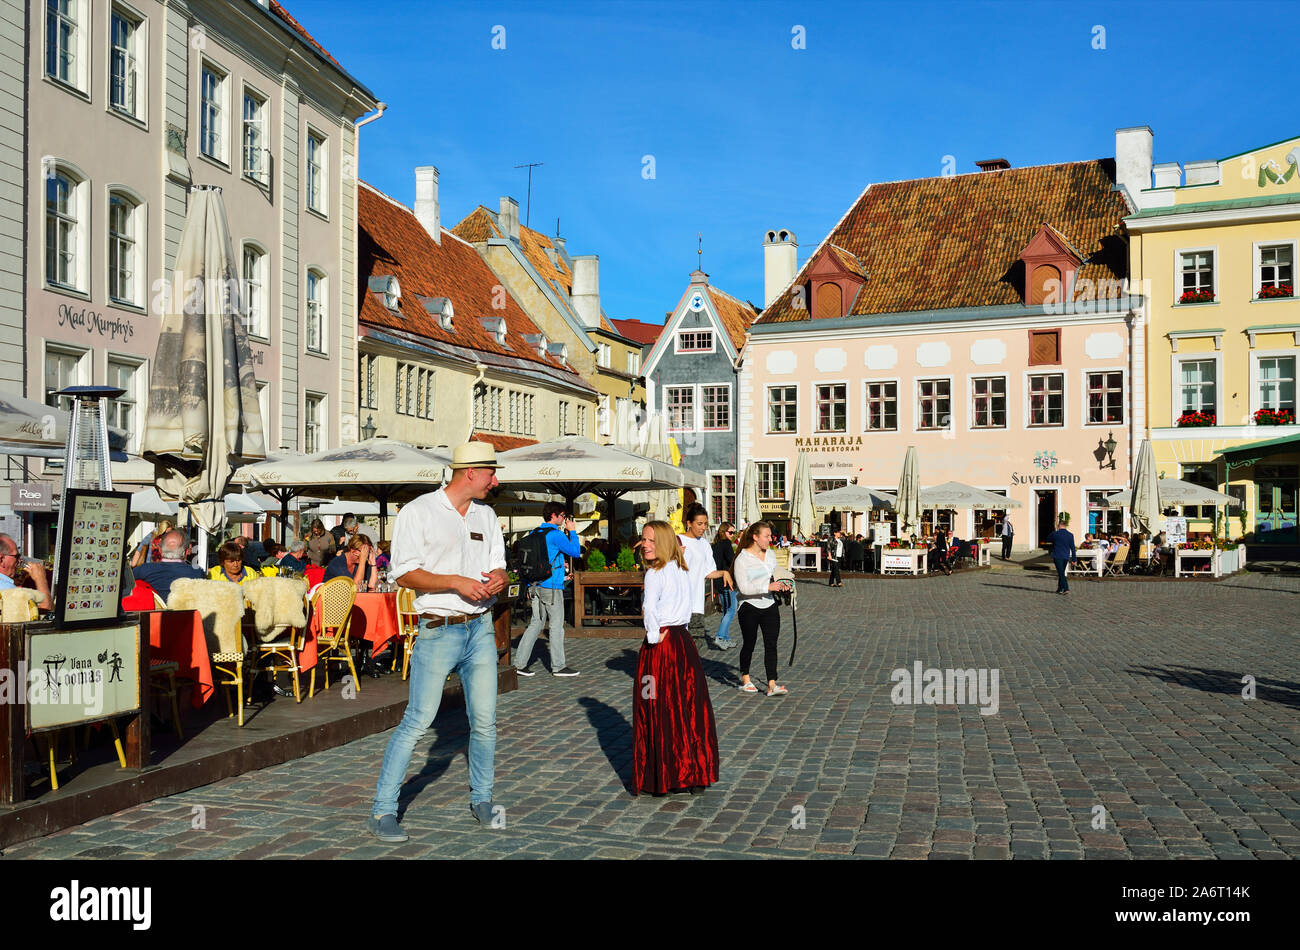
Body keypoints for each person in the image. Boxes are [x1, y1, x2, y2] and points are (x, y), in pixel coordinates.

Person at [367, 442, 507, 843]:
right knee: (417, 721)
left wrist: (500, 578)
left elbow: (499, 564)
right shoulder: (418, 512)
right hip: (437, 628)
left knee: (484, 722)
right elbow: (404, 573)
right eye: (490, 473)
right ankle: (382, 810)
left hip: (479, 629)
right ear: (469, 473)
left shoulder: (487, 514)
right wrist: (454, 581)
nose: (495, 481)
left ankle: (482, 798)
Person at [633, 520, 719, 796]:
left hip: (660, 647)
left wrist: (653, 637)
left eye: (650, 540)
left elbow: (650, 610)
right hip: (683, 644)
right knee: (687, 705)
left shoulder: (655, 573)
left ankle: (663, 773)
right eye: (643, 539)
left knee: (654, 703)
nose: (644, 544)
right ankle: (692, 772)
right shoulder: (681, 568)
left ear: (663, 542)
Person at [514, 502, 582, 677]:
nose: (564, 519)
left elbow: (544, 558)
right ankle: (558, 666)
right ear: (554, 515)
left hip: (534, 584)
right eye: (562, 516)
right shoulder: (556, 535)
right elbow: (575, 551)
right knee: (556, 625)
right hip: (551, 587)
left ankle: (519, 664)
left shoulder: (535, 533)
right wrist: (572, 531)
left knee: (536, 623)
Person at [731, 520, 791, 697]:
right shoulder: (742, 559)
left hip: (769, 604)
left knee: (771, 644)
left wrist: (784, 583)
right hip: (749, 606)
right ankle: (745, 678)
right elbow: (743, 588)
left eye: (770, 536)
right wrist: (767, 587)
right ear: (755, 537)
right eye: (766, 536)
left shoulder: (770, 555)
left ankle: (772, 683)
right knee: (749, 642)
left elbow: (775, 574)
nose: (770, 539)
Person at [677, 503, 732, 648]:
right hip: (678, 601)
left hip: (696, 602)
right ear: (689, 523)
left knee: (696, 643)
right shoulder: (677, 541)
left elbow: (708, 571)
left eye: (705, 524)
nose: (703, 527)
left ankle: (692, 671)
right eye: (699, 523)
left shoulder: (704, 544)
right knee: (678, 644)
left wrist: (724, 572)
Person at [133, 529, 204, 602]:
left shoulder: (143, 570)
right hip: (186, 612)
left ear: (160, 550)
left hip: (152, 612)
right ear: (186, 552)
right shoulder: (197, 573)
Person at [0, 532, 52, 610]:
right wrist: (40, 579)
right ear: (1, 560)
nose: (20, 560)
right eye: (16, 556)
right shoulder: (7, 588)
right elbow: (45, 610)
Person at [710, 523, 738, 650]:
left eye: (733, 533)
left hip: (718, 581)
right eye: (730, 532)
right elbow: (732, 561)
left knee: (727, 610)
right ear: (723, 532)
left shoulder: (716, 544)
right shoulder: (725, 544)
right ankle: (720, 637)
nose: (732, 535)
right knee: (732, 609)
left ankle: (725, 638)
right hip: (727, 581)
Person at [1049, 517, 1076, 595]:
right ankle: (1060, 589)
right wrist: (1074, 559)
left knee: (1061, 573)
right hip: (1065, 556)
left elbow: (1048, 539)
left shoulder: (1055, 534)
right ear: (1065, 526)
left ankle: (1066, 588)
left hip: (1057, 556)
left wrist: (1054, 531)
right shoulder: (1070, 535)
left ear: (1059, 525)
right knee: (1061, 572)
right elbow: (1073, 548)